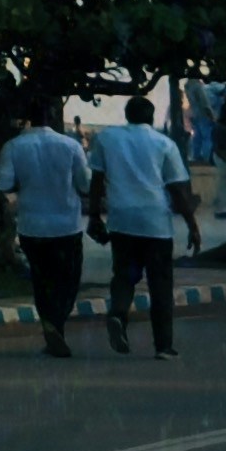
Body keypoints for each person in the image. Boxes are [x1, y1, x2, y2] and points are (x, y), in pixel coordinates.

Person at [79, 95, 192, 357]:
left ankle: (118, 314)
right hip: (156, 223)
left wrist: (95, 216)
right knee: (160, 283)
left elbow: (96, 180)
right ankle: (163, 346)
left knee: (124, 276)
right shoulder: (164, 143)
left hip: (122, 220)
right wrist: (192, 225)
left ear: (127, 115)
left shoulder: (107, 139)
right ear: (151, 117)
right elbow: (177, 189)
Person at [0, 104, 97, 357]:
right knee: (69, 279)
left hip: (33, 226)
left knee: (42, 280)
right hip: (67, 225)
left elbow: (3, 183)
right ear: (51, 116)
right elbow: (84, 185)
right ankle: (57, 323)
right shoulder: (71, 146)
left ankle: (50, 326)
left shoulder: (14, 146)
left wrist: (25, 181)